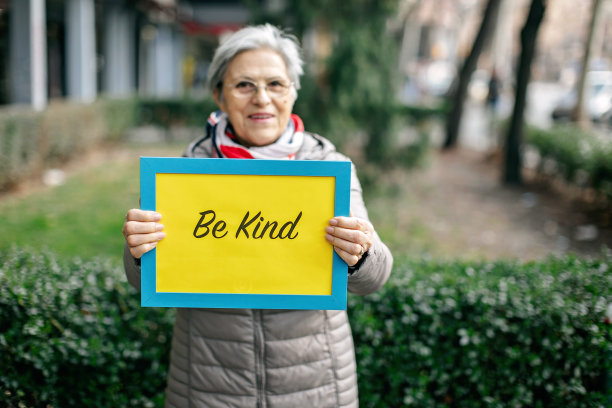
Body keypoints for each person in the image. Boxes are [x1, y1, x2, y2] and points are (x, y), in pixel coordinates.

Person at [122, 24, 393, 408]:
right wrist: (138, 251)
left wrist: (361, 255)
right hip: (208, 383)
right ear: (219, 95)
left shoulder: (328, 168)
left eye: (276, 84)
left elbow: (375, 277)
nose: (262, 98)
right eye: (244, 85)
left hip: (314, 383)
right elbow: (143, 277)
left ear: (294, 92)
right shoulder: (187, 171)